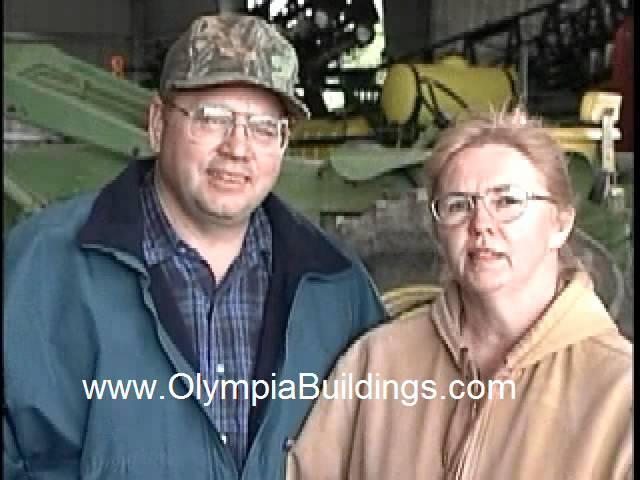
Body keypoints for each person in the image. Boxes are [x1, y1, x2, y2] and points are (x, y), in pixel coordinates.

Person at [3, 14, 385, 479]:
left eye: (264, 127)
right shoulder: (43, 265)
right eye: (213, 118)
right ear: (159, 124)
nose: (238, 148)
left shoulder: (337, 287)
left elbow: (379, 450)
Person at [286, 109, 632, 479]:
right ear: (438, 232)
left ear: (560, 224)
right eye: (458, 205)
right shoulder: (377, 361)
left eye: (507, 201)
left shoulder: (619, 391)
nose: (481, 224)